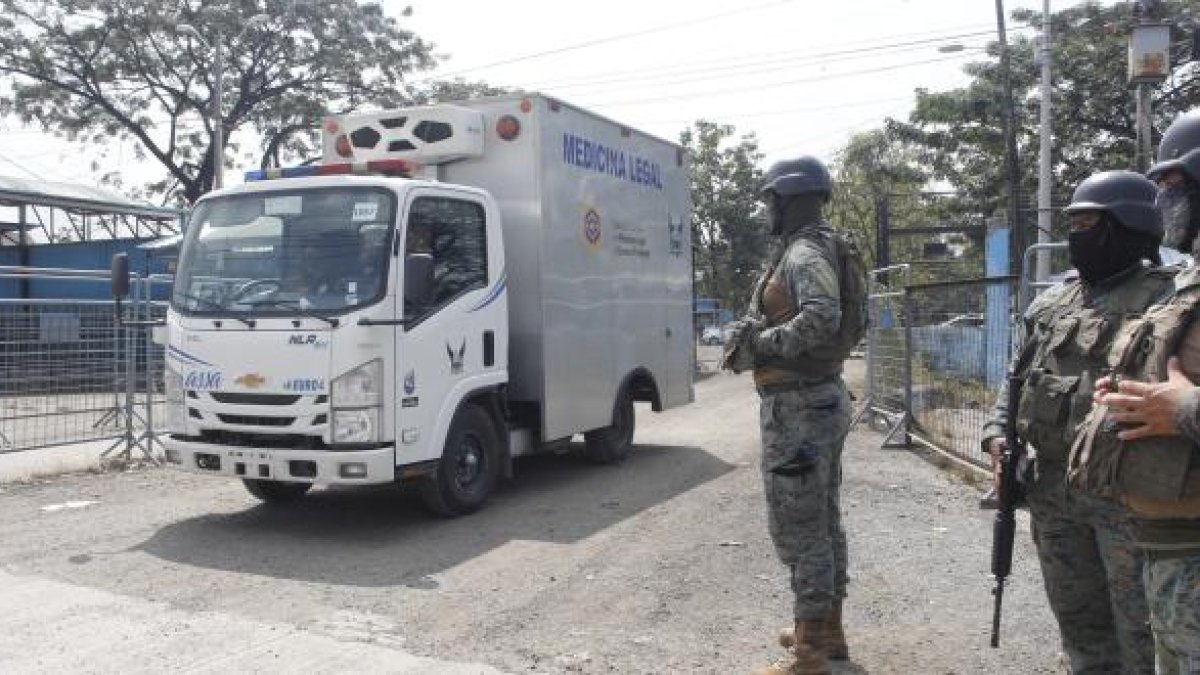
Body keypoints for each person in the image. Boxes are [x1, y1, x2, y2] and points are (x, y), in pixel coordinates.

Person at [981, 170, 1171, 674]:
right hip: (1053, 490)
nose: (1075, 236)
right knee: (1078, 622)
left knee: (1143, 632)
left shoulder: (1168, 300)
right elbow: (1016, 378)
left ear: (1126, 227)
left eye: (1088, 223)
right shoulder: (1053, 302)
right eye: (1074, 223)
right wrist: (997, 435)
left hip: (1126, 497)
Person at [725, 156, 852, 675]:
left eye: (771, 200)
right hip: (816, 399)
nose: (767, 210)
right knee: (822, 521)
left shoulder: (803, 253)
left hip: (799, 406)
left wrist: (762, 345)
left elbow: (823, 317)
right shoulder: (817, 247)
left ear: (791, 200)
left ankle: (810, 653)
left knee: (801, 529)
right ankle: (826, 630)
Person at [1084, 109, 1200, 674]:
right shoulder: (1190, 279)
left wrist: (1183, 408)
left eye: (1174, 184)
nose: (1164, 200)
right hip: (1167, 544)